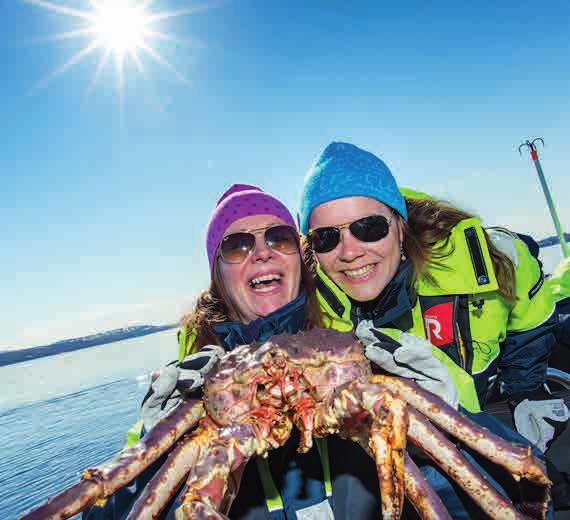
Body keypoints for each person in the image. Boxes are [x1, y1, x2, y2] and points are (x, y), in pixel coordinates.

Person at [87, 183, 438, 519]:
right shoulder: (190, 396)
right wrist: (156, 461)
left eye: (280, 238)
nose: (261, 252)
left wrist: (438, 429)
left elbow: (462, 489)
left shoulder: (356, 359)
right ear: (218, 277)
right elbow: (101, 505)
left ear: (301, 261)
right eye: (237, 246)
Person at [298, 141, 567, 512]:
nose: (349, 251)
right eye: (326, 237)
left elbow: (531, 310)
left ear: (399, 226)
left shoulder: (482, 263)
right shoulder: (312, 323)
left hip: (483, 428)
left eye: (369, 227)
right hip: (388, 457)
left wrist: (527, 389)